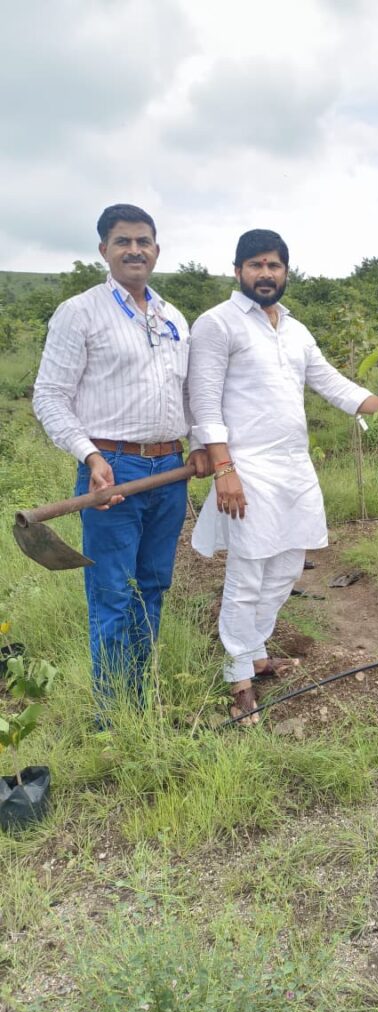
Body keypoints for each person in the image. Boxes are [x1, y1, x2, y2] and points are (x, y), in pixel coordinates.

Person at [188, 228, 378, 724]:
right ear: (238, 271)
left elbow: (331, 383)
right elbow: (204, 401)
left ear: (285, 272)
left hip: (294, 466)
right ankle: (239, 679)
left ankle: (256, 653)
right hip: (246, 468)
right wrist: (224, 468)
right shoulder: (217, 323)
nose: (265, 273)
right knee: (248, 573)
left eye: (274, 265)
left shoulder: (295, 330)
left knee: (286, 569)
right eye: (256, 264)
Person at [33, 204, 209, 715]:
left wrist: (200, 443)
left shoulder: (172, 317)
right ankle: (111, 715)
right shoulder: (80, 312)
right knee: (112, 592)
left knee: (152, 585)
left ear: (157, 249)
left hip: (169, 471)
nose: (135, 250)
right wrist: (90, 457)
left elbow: (190, 396)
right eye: (123, 241)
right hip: (112, 471)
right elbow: (50, 396)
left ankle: (140, 697)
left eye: (143, 241)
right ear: (104, 250)